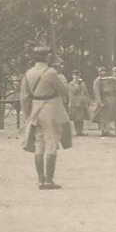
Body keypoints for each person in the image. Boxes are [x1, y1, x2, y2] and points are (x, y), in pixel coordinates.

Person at [20, 46, 72, 189]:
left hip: (35, 109)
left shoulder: (29, 73)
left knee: (39, 145)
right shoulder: (51, 73)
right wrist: (60, 76)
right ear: (46, 57)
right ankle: (49, 180)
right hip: (51, 109)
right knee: (51, 143)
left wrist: (27, 114)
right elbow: (64, 91)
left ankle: (41, 179)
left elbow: (24, 96)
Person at [94, 67, 116, 137]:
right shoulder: (97, 81)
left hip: (109, 100)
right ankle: (104, 130)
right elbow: (97, 92)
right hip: (103, 99)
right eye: (101, 71)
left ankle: (107, 130)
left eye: (104, 71)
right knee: (103, 117)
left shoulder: (107, 80)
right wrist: (99, 102)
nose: (103, 72)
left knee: (107, 117)